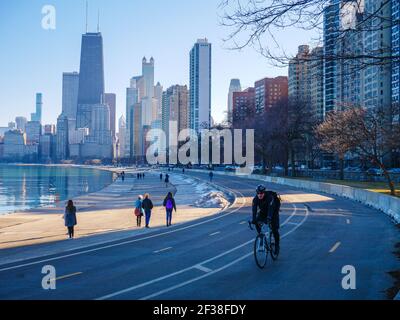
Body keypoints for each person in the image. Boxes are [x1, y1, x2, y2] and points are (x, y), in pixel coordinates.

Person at [252, 185, 281, 254]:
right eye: (258, 193)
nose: (260, 195)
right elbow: (254, 210)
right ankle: (261, 235)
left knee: (274, 229)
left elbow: (271, 209)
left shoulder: (269, 198)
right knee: (256, 221)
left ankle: (277, 245)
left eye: (261, 193)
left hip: (273, 211)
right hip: (263, 211)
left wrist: (269, 218)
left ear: (264, 193)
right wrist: (254, 219)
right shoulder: (255, 199)